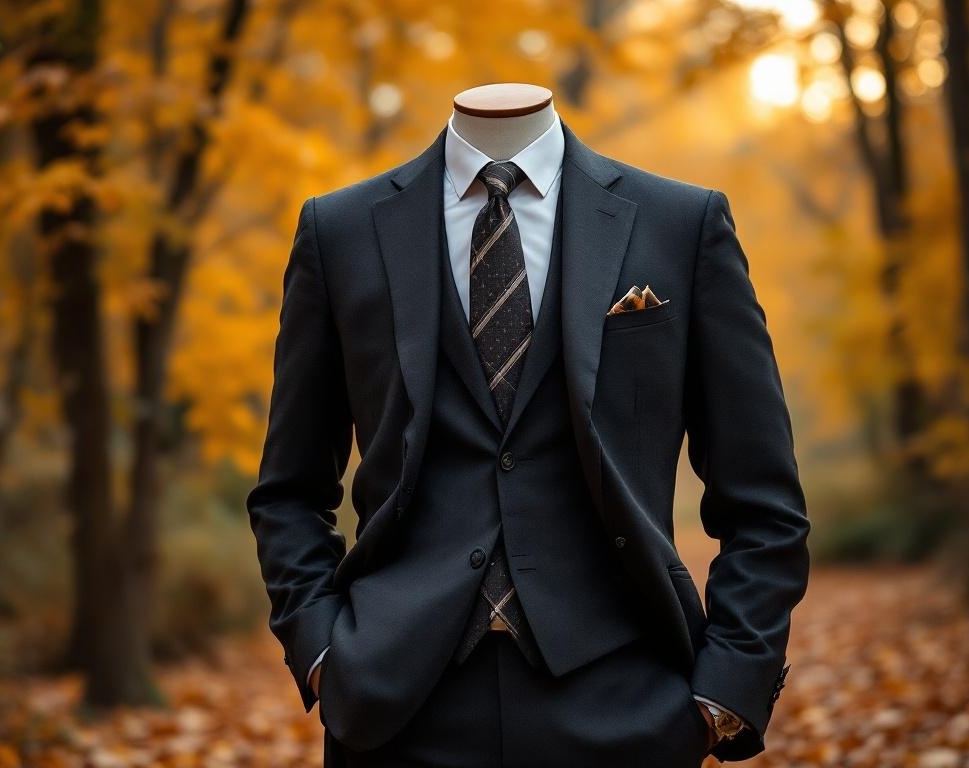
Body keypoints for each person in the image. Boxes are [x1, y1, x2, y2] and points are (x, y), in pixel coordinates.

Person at [246, 84, 810, 767]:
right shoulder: (340, 231)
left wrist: (724, 692)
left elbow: (764, 498)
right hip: (395, 708)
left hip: (632, 703)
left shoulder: (681, 223)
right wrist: (324, 655)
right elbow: (290, 489)